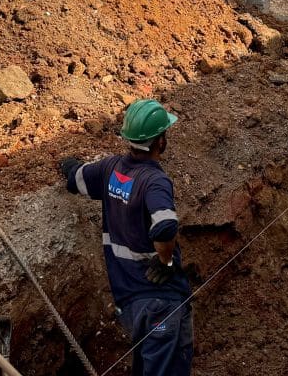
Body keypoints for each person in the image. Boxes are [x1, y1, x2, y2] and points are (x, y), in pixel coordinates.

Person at [61, 100, 193, 375]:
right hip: (160, 302)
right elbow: (165, 225)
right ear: (160, 141)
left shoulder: (111, 169)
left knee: (146, 365)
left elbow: (77, 179)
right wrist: (166, 261)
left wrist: (67, 166)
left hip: (129, 300)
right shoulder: (154, 181)